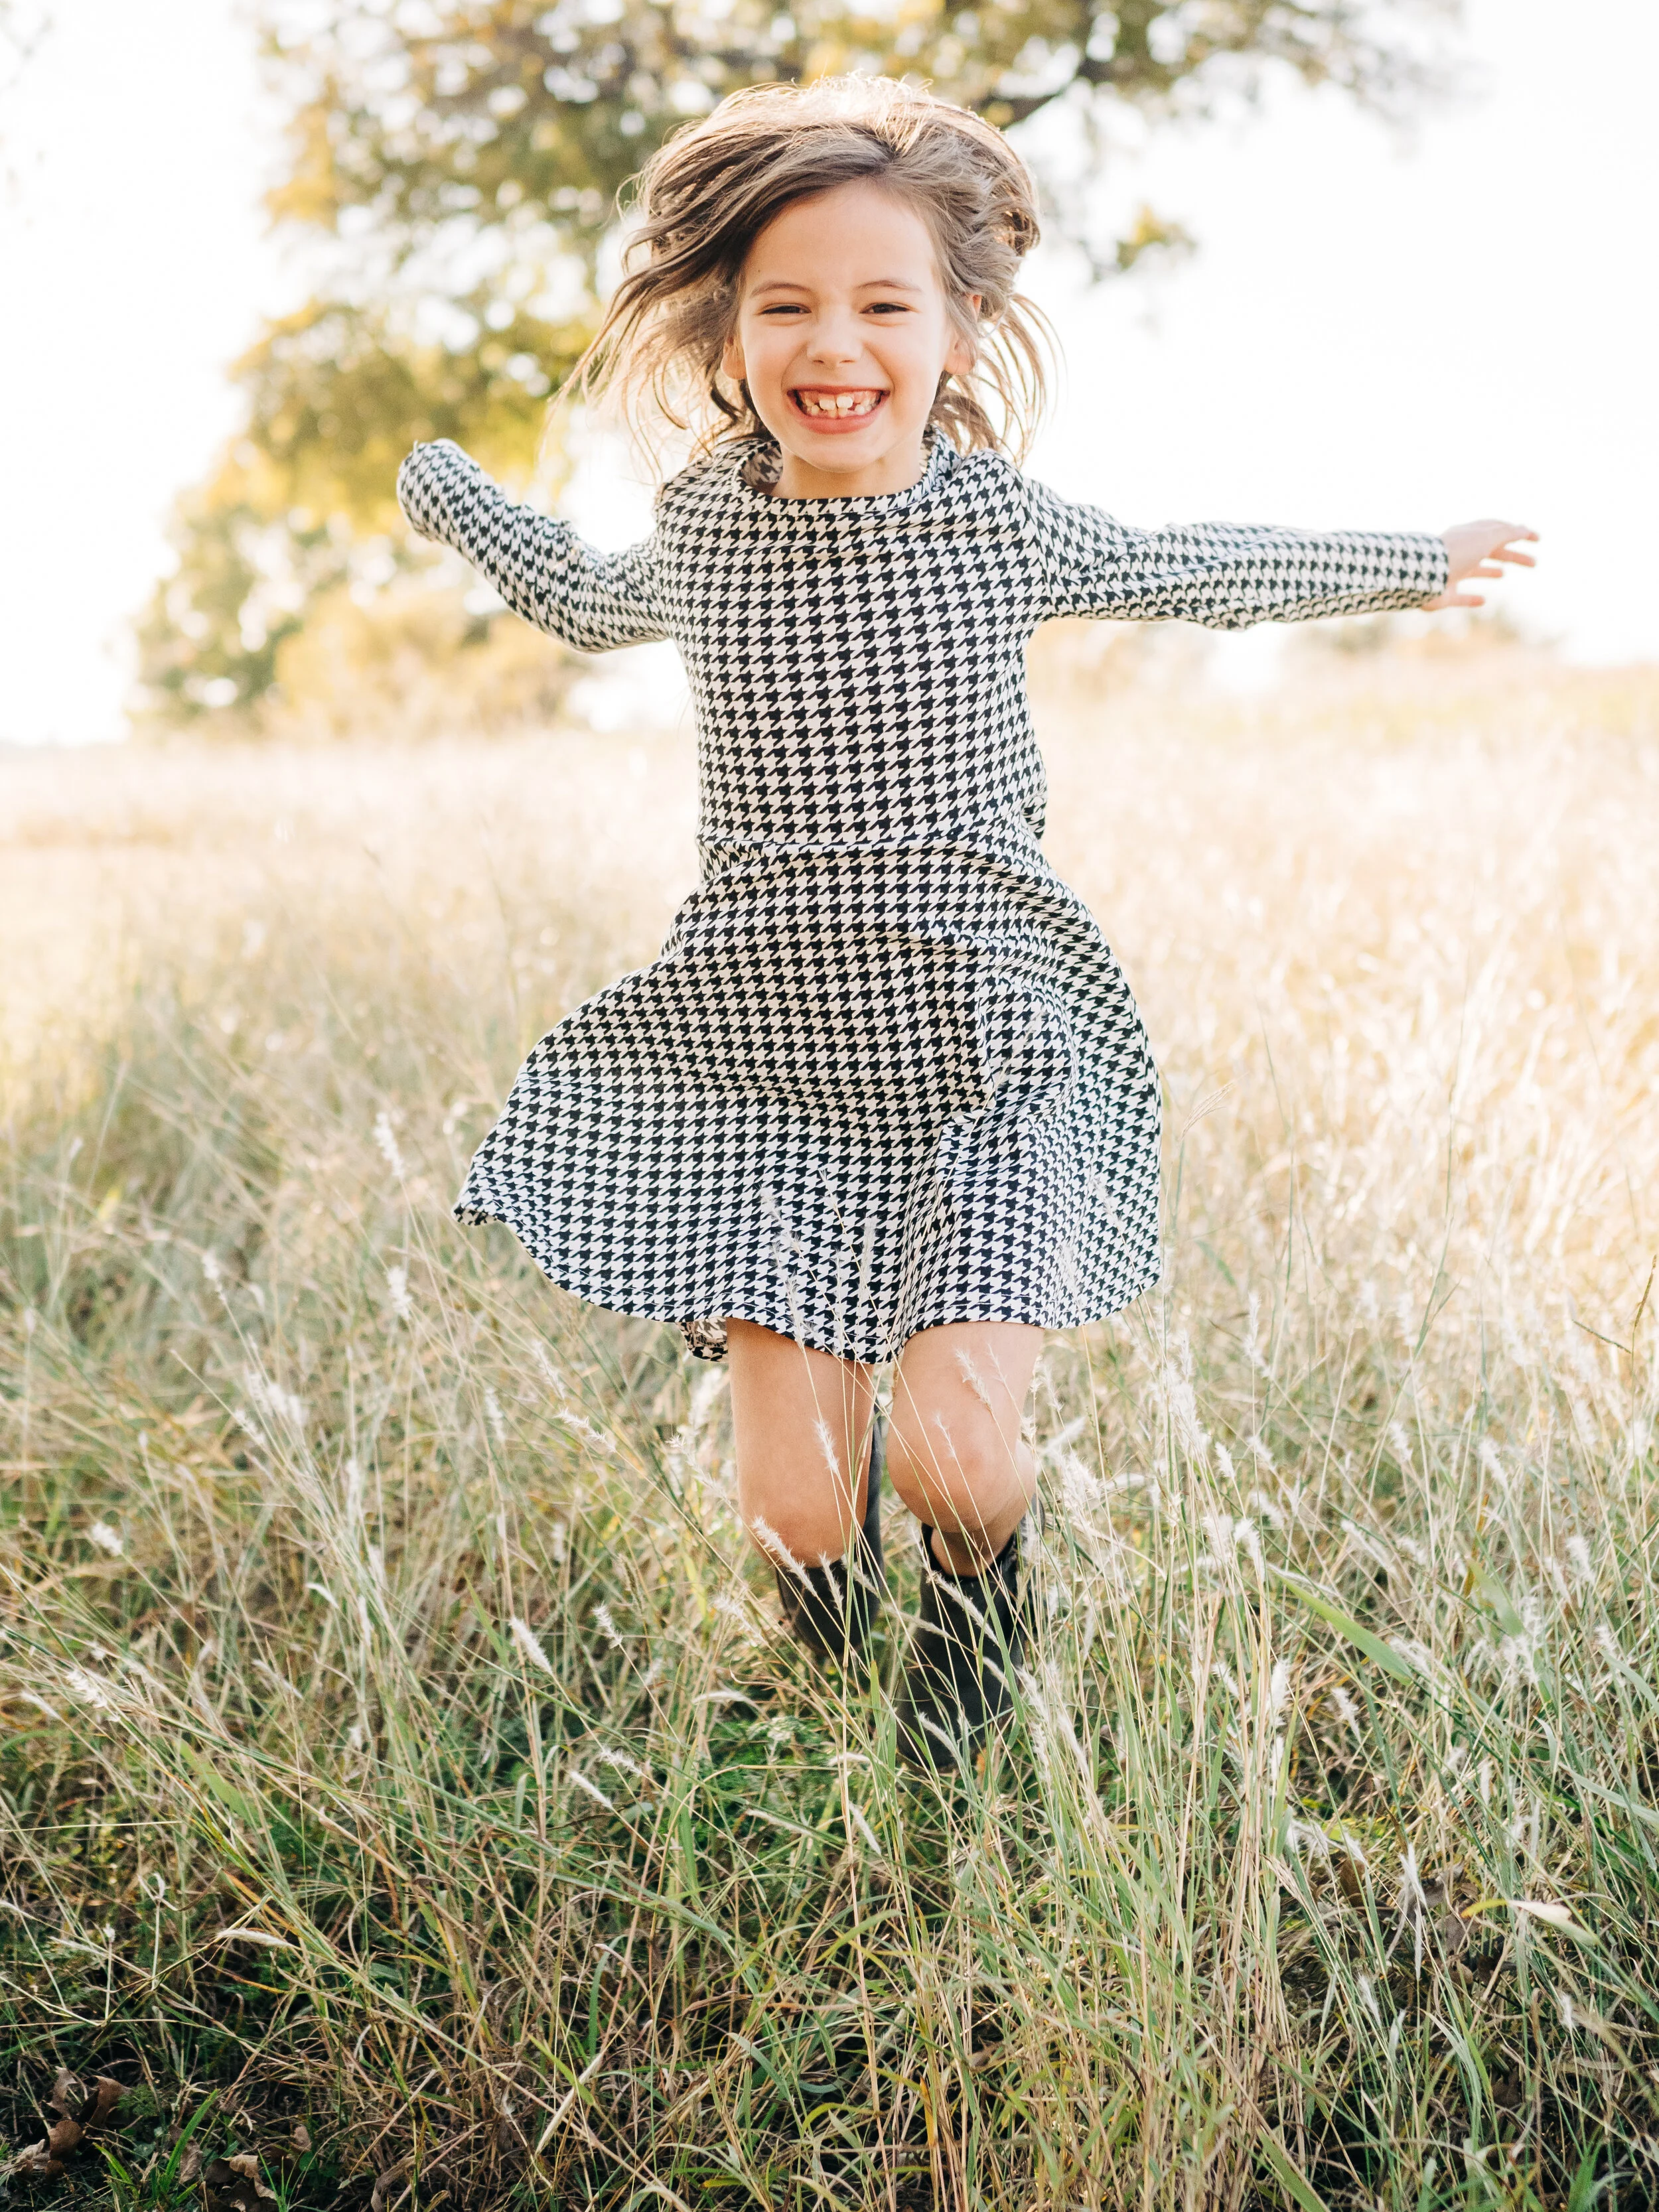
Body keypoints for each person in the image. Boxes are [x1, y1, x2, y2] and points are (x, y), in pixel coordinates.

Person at [396, 75, 1536, 1769]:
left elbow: (1183, 564)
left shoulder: (991, 525)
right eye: (785, 304)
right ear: (725, 331)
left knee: (952, 1459)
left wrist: (1402, 557)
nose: (831, 342)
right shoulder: (709, 526)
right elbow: (580, 598)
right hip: (763, 1056)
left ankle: (975, 1657)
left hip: (983, 1044)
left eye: (881, 303)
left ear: (957, 330)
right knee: (791, 1508)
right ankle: (840, 1707)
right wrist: (445, 486)